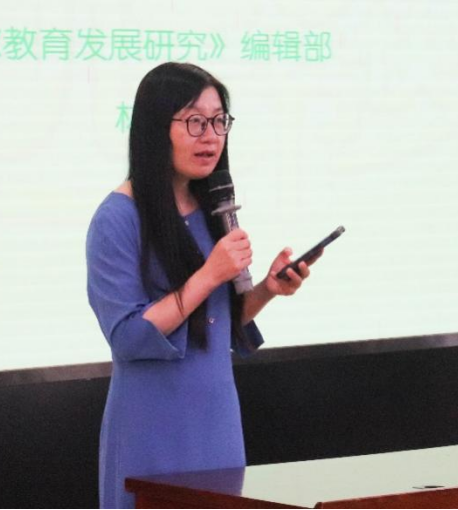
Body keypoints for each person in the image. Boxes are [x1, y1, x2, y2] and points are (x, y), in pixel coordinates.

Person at [86, 63, 319, 509]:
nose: (211, 136)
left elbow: (215, 321)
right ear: (157, 127)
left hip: (217, 422)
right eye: (195, 121)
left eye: (218, 121)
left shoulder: (212, 206)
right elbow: (129, 336)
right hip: (153, 427)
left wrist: (267, 289)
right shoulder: (116, 218)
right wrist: (210, 273)